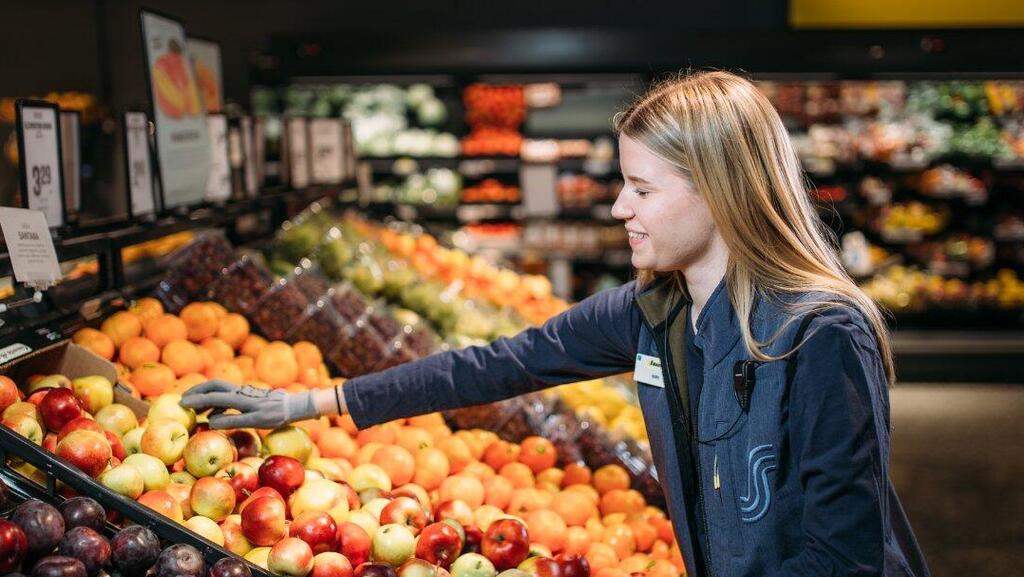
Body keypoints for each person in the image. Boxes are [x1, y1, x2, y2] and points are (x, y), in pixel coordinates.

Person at [182, 71, 930, 577]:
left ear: (719, 191)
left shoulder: (819, 331)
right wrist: (315, 402)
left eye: (640, 187)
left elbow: (843, 555)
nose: (618, 209)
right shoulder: (653, 311)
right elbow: (491, 365)